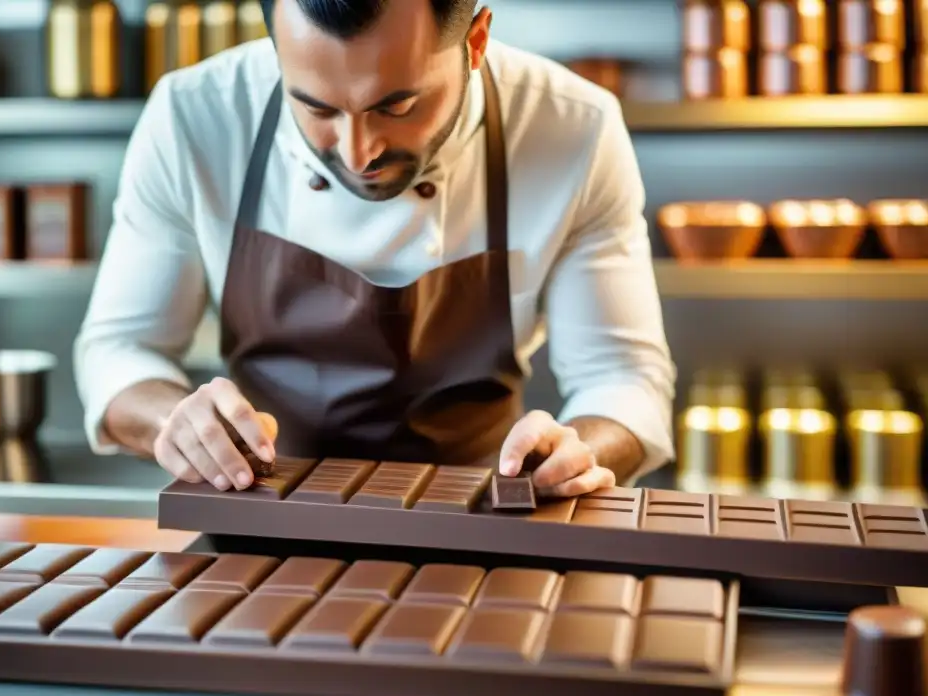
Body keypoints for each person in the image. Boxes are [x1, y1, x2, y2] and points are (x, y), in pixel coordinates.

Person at [73, 0, 677, 501]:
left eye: (397, 106)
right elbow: (122, 349)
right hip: (259, 520)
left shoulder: (573, 127)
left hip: (489, 521)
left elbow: (622, 377)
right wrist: (174, 423)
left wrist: (580, 451)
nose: (357, 152)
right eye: (315, 107)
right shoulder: (194, 116)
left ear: (475, 40)